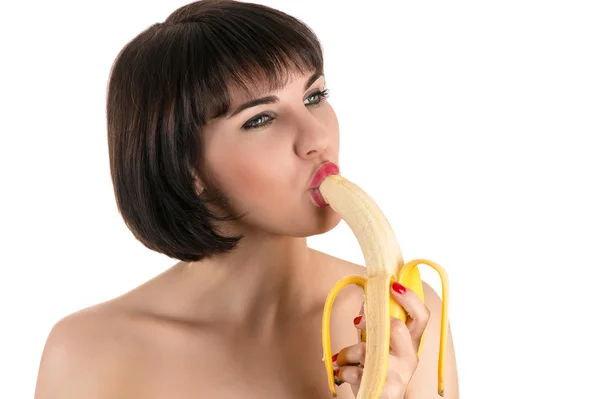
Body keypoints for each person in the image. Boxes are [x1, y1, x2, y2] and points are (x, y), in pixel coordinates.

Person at [34, 0, 459, 397]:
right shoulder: (87, 353)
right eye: (261, 118)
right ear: (188, 169)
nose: (316, 138)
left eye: (314, 97)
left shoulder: (405, 316)